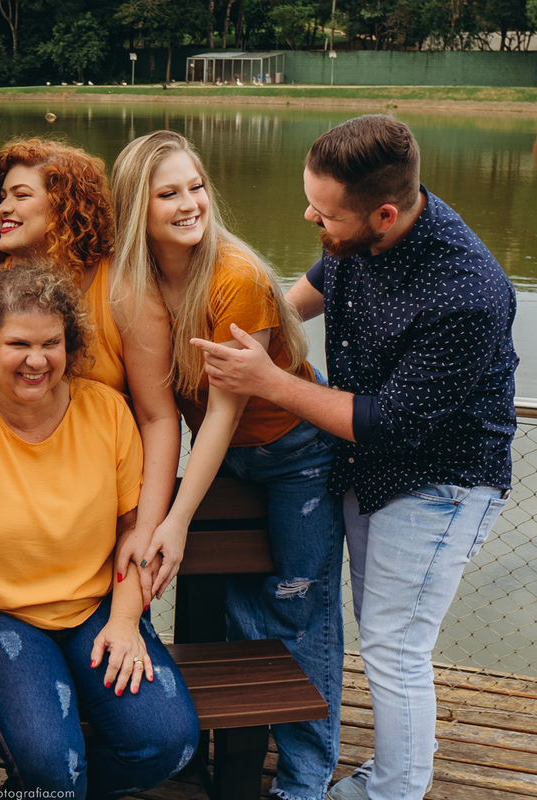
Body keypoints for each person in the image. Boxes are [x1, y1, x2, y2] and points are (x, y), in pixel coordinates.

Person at [191, 115, 517, 800]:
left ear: (386, 213)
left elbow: (386, 423)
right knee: (384, 636)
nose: (310, 217)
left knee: (395, 647)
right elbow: (295, 301)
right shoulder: (355, 238)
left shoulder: (469, 292)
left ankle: (391, 790)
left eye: (323, 213)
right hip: (367, 472)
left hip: (439, 483)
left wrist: (269, 382)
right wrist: (232, 318)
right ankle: (393, 770)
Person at [0, 263, 199, 797]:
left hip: (95, 607)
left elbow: (132, 527)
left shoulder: (108, 413)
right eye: (17, 343)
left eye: (52, 342)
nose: (36, 359)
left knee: (168, 743)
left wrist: (124, 619)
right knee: (52, 770)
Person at [110, 130, 344, 800]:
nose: (190, 203)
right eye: (169, 193)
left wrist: (178, 518)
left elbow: (221, 414)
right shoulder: (138, 281)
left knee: (301, 609)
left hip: (294, 454)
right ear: (138, 208)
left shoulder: (235, 278)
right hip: (230, 461)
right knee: (243, 607)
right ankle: (213, 745)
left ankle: (304, 777)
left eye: (196, 186)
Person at [0, 139, 181, 574]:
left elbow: (157, 417)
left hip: (94, 507)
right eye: (2, 196)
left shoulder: (122, 289)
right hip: (5, 504)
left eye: (21, 196)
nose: (3, 207)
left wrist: (147, 526)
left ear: (65, 206)